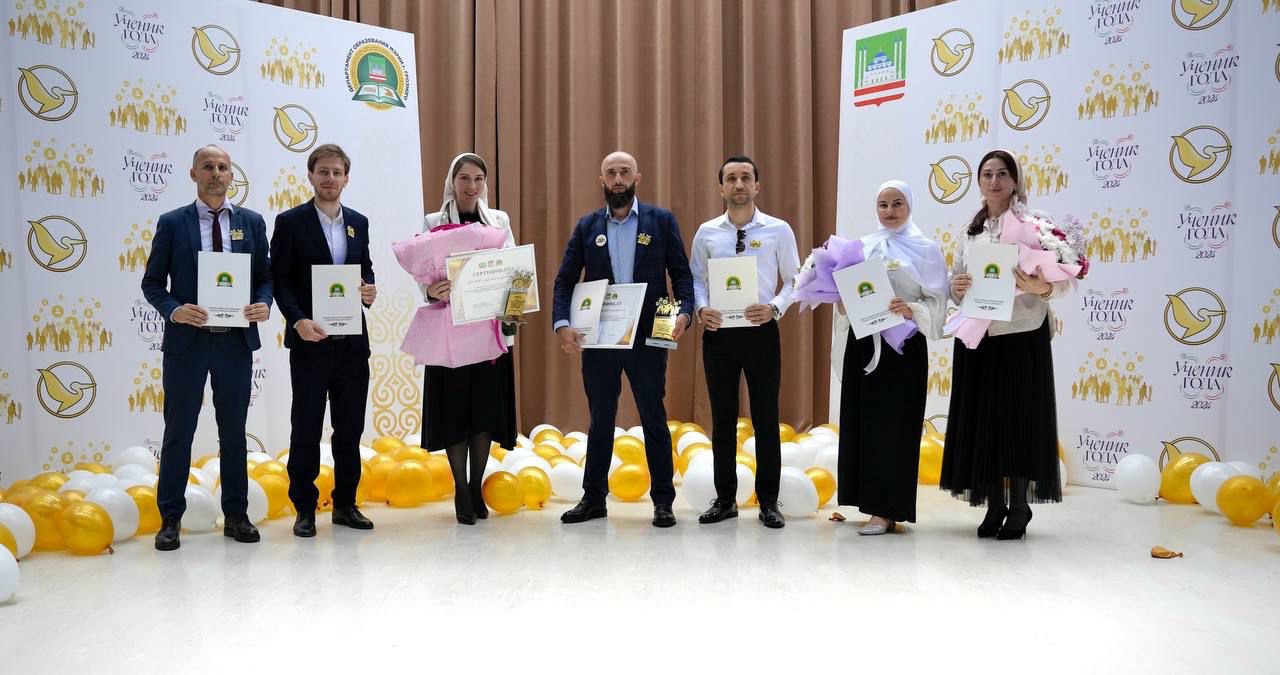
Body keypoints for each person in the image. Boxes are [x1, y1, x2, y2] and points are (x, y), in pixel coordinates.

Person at [552, 151, 694, 528]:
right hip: (600, 337)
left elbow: (681, 275)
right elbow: (565, 280)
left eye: (625, 172)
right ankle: (593, 498)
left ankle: (663, 500)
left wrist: (684, 312)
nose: (618, 179)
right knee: (600, 418)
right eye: (611, 173)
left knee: (653, 416)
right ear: (602, 180)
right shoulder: (587, 226)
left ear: (637, 178)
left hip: (649, 334)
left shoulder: (661, 221)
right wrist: (563, 323)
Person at [141, 144, 272, 550]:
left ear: (231, 175)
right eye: (208, 166)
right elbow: (152, 284)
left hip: (235, 341)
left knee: (233, 433)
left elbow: (265, 278)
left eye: (223, 167)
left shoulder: (252, 222)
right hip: (188, 343)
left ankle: (236, 515)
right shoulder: (172, 223)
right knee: (179, 431)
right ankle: (170, 519)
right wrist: (174, 310)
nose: (216, 173)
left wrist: (263, 303)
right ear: (193, 174)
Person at [940, 149, 1074, 540]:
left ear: (1015, 180)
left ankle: (1019, 505)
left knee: (1019, 420)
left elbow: (1064, 280)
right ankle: (994, 503)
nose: (994, 181)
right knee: (984, 421)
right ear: (979, 182)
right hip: (979, 337)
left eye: (1002, 174)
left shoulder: (1037, 225)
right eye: (987, 174)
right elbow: (956, 282)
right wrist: (956, 286)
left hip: (1022, 334)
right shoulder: (972, 229)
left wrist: (1040, 287)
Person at [269, 144, 377, 537]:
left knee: (349, 429)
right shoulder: (290, 222)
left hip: (351, 345)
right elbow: (279, 280)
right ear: (311, 176)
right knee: (306, 427)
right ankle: (305, 508)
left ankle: (345, 504)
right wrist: (297, 321)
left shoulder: (359, 223)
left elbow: (365, 269)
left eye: (336, 172)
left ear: (346, 178)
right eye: (323, 172)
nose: (330, 178)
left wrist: (369, 289)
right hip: (310, 342)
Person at [689, 155, 799, 529]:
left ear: (757, 186)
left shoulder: (778, 230)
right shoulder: (706, 232)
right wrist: (702, 309)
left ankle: (769, 501)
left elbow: (795, 279)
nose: (739, 184)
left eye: (746, 178)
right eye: (731, 178)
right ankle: (725, 499)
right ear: (721, 188)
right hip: (718, 334)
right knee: (722, 420)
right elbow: (696, 278)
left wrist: (775, 308)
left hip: (761, 333)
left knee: (765, 418)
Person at [836, 180, 948, 535]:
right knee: (864, 422)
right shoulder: (864, 246)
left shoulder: (926, 249)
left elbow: (938, 302)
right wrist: (843, 301)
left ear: (909, 206)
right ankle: (867, 501)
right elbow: (851, 294)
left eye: (897, 203)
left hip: (903, 347)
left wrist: (911, 309)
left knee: (894, 426)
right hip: (864, 345)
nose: (889, 211)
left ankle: (888, 509)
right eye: (883, 204)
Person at [420, 153, 518, 525]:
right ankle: (460, 489)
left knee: (484, 410)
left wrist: (514, 307)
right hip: (450, 332)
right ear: (452, 180)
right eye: (464, 178)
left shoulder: (499, 221)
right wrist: (431, 291)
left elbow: (514, 269)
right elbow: (424, 273)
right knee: (454, 410)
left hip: (489, 330)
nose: (472, 186)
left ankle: (476, 486)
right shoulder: (433, 221)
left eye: (478, 178)